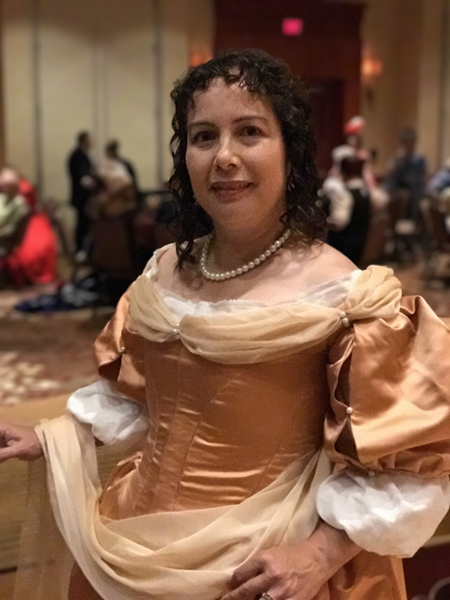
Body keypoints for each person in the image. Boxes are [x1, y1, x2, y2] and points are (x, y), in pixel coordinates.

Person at [2, 49, 450, 600]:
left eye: (250, 132)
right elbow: (135, 393)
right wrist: (51, 437)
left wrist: (316, 556)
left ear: (291, 152)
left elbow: (409, 465)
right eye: (204, 136)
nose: (225, 157)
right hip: (134, 541)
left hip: (268, 562)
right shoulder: (162, 269)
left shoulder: (348, 296)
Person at [325, 156, 372, 265]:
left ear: (343, 172)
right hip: (360, 247)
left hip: (344, 251)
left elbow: (338, 223)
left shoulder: (344, 194)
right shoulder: (365, 192)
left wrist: (322, 222)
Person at [383, 126, 427, 221]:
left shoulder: (419, 159)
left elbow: (423, 177)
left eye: (412, 142)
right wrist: (398, 162)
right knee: (396, 196)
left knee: (416, 196)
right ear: (403, 143)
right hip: (398, 187)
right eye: (407, 142)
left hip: (415, 189)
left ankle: (411, 223)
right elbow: (390, 174)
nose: (410, 145)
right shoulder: (398, 156)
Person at [67, 131, 95, 255]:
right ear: (84, 141)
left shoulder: (76, 154)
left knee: (82, 223)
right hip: (82, 197)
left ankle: (81, 250)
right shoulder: (79, 155)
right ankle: (81, 250)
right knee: (83, 224)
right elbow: (84, 179)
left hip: (80, 197)